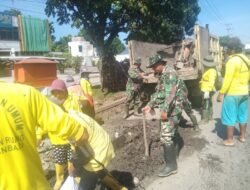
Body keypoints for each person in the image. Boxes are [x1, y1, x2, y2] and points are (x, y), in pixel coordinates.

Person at [0, 82, 88, 190]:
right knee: (59, 163)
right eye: (54, 93)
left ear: (64, 91)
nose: (57, 95)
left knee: (71, 164)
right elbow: (42, 123)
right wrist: (39, 135)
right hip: (57, 142)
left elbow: (77, 117)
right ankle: (59, 180)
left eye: (59, 92)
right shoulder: (44, 100)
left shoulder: (72, 100)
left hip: (69, 141)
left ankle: (74, 180)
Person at [143, 54, 186, 177]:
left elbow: (170, 94)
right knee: (173, 133)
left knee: (166, 135)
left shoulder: (169, 73)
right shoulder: (163, 74)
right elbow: (160, 92)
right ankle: (175, 154)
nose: (152, 69)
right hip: (172, 108)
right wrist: (150, 104)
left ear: (160, 64)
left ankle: (171, 166)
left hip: (172, 109)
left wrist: (164, 111)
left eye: (154, 67)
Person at [67, 110, 115, 190]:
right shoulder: (71, 113)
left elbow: (85, 154)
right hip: (101, 142)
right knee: (99, 172)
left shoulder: (69, 127)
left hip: (97, 153)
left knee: (84, 186)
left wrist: (74, 164)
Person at [217, 52, 249, 146]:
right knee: (243, 115)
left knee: (230, 115)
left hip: (232, 93)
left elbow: (228, 79)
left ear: (230, 51)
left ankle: (229, 141)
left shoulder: (232, 61)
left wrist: (221, 93)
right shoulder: (247, 60)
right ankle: (242, 137)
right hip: (244, 92)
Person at [199, 55, 217, 124]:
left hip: (207, 89)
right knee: (209, 103)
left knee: (205, 104)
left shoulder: (212, 71)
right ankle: (210, 116)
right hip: (205, 88)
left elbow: (211, 81)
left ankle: (205, 119)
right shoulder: (208, 69)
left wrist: (207, 91)